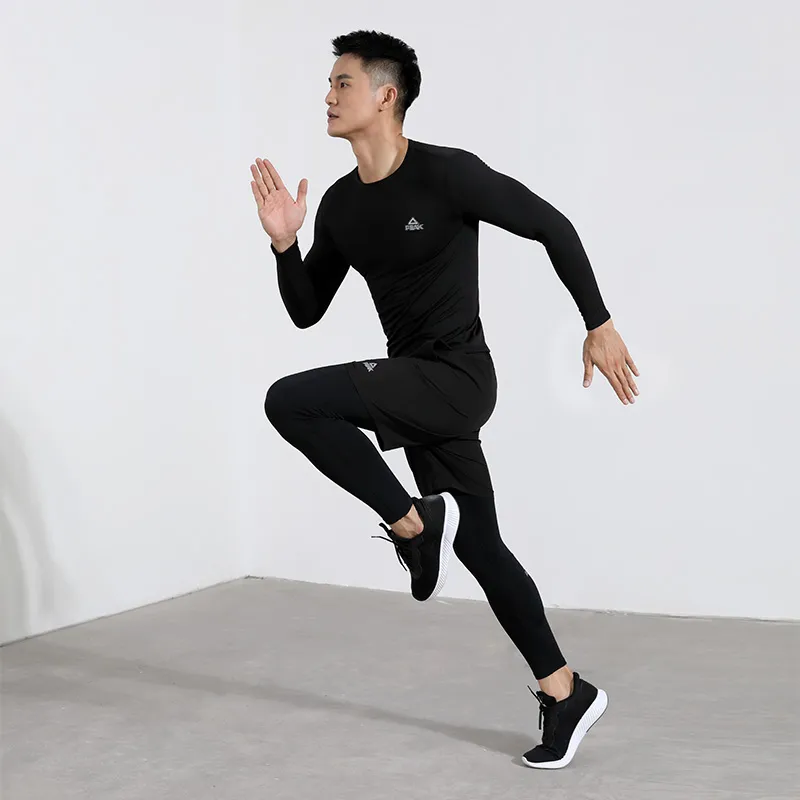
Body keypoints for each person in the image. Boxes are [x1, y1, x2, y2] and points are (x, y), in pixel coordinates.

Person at [251, 29, 640, 770]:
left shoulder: (447, 174)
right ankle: (565, 692)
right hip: (414, 387)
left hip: (456, 378)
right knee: (481, 545)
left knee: (290, 401)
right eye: (329, 84)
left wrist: (598, 322)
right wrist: (284, 244)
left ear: (385, 95)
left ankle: (410, 524)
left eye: (341, 83)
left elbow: (550, 224)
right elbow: (306, 309)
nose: (327, 96)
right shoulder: (339, 205)